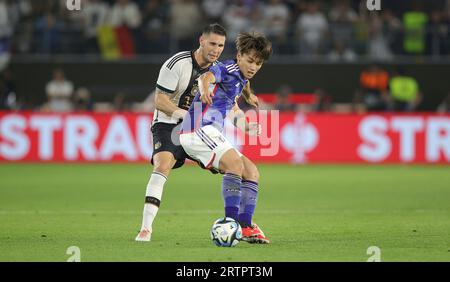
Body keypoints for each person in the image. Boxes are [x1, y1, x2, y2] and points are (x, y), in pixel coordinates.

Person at [135, 23, 228, 242]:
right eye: (212, 43)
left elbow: (229, 103)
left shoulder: (220, 70)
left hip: (199, 128)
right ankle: (146, 228)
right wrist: (184, 116)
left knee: (234, 167)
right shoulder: (177, 63)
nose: (216, 49)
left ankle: (243, 222)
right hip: (168, 123)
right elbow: (159, 100)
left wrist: (244, 122)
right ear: (201, 41)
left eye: (221, 45)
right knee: (163, 165)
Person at [179, 32, 273, 244]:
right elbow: (206, 77)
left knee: (251, 171)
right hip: (195, 129)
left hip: (210, 132)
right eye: (249, 61)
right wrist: (204, 89)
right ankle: (231, 223)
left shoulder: (240, 78)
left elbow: (233, 105)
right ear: (239, 56)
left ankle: (246, 225)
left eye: (258, 64)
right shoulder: (227, 68)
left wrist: (246, 123)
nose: (253, 67)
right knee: (234, 164)